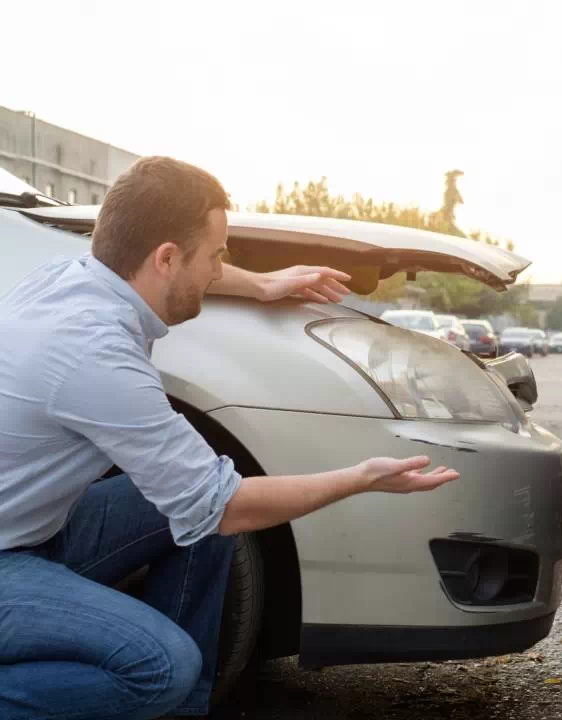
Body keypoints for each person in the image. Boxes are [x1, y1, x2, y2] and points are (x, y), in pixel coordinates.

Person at [0, 156, 460, 720]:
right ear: (166, 258)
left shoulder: (71, 278)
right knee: (159, 667)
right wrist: (360, 477)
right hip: (7, 561)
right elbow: (229, 508)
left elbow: (205, 506)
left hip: (35, 531)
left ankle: (183, 712)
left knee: (193, 511)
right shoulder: (95, 353)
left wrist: (263, 283)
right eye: (217, 256)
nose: (220, 270)